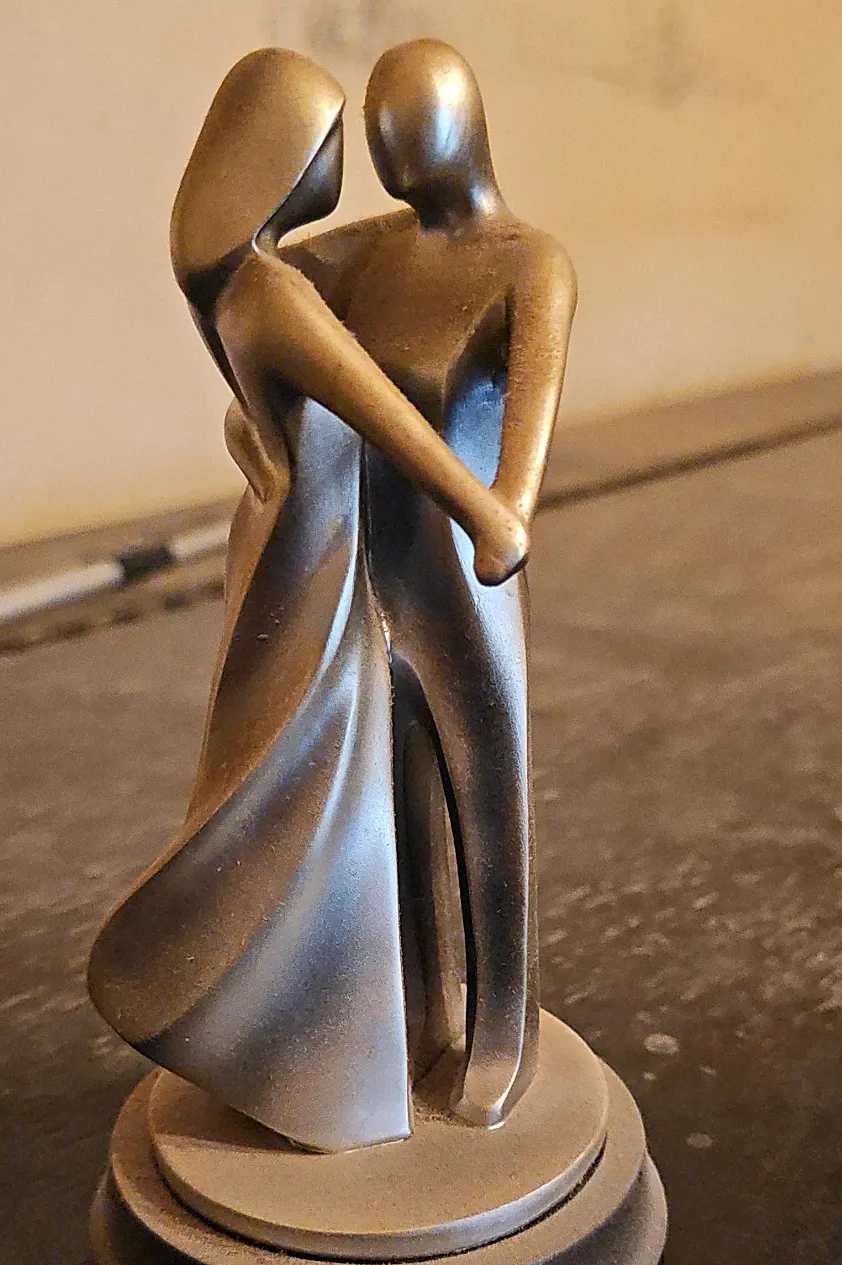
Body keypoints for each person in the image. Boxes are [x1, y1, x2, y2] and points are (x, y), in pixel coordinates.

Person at [87, 48, 525, 1154]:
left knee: (311, 788)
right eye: (342, 139)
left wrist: (279, 458)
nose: (364, 162)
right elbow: (389, 421)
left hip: (295, 558)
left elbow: (264, 425)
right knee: (318, 793)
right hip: (332, 570)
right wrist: (487, 511)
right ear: (286, 163)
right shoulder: (283, 293)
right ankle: (313, 1050)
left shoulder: (239, 289)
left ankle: (388, 1032)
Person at [268, 39, 578, 1128]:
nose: (393, 162)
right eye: (379, 141)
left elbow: (526, 441)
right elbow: (255, 276)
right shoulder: (373, 253)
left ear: (462, 126)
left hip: (464, 578)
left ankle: (504, 1029)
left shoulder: (528, 265)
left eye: (410, 135)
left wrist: (510, 513)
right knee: (388, 804)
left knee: (486, 799)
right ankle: (410, 1014)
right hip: (368, 563)